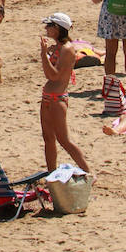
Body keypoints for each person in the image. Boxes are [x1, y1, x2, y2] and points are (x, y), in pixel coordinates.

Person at [40, 12, 91, 173]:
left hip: (57, 98)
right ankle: (51, 174)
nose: (46, 29)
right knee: (48, 139)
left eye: (49, 26)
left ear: (57, 28)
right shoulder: (58, 47)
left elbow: (54, 75)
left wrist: (43, 55)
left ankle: (89, 172)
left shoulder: (67, 49)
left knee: (64, 140)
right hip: (48, 97)